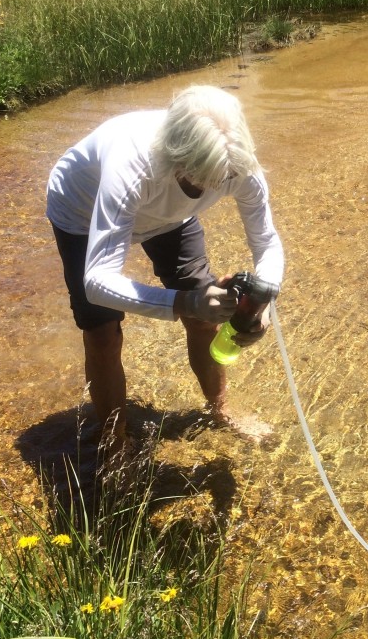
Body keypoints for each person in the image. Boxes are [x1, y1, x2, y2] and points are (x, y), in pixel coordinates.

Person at [46, 85, 285, 454]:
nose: (213, 187)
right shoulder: (132, 163)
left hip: (170, 217)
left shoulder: (235, 161)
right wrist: (185, 302)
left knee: (205, 320)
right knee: (103, 334)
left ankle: (220, 411)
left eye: (222, 179)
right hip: (82, 210)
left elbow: (266, 242)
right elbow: (97, 281)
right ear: (177, 156)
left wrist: (261, 301)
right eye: (202, 180)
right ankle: (114, 443)